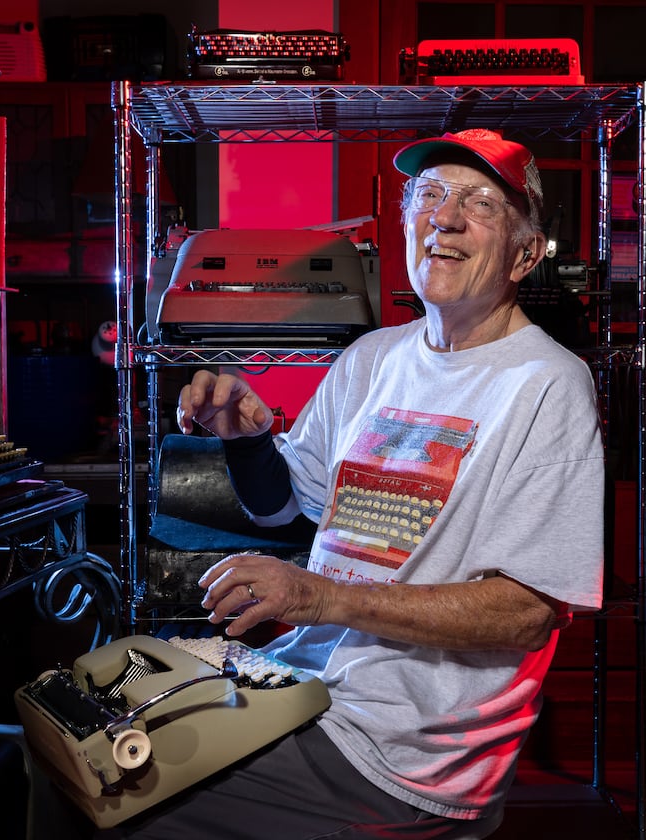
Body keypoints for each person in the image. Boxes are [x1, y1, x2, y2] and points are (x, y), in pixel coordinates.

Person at [109, 128, 606, 839]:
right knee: (78, 729)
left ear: (526, 255)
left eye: (480, 204)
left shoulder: (547, 385)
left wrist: (320, 594)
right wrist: (249, 442)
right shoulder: (374, 358)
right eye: (428, 196)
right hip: (305, 688)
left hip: (407, 751)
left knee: (115, 793)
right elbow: (286, 507)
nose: (446, 217)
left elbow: (527, 612)